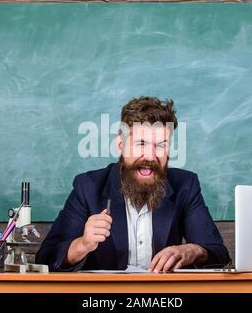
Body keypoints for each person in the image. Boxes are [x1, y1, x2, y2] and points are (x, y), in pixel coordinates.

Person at [36, 96, 230, 272]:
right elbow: (46, 259)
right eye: (141, 144)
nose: (150, 156)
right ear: (121, 145)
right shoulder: (87, 187)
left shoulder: (185, 185)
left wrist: (192, 251)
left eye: (160, 145)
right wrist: (83, 244)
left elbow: (219, 254)